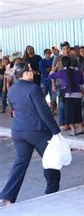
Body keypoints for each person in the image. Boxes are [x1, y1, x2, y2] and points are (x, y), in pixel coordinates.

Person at [0, 61, 61, 206]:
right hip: (36, 131)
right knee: (51, 160)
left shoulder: (13, 89)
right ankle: (51, 192)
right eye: (30, 70)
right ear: (25, 73)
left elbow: (14, 109)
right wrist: (56, 131)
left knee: (20, 163)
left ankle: (7, 196)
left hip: (18, 131)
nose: (33, 72)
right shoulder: (33, 89)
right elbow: (44, 112)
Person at [49, 56, 84, 135]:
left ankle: (73, 131)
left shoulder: (62, 72)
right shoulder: (78, 71)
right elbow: (82, 84)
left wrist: (54, 68)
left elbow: (50, 76)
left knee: (69, 113)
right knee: (78, 111)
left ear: (62, 63)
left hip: (67, 95)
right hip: (77, 95)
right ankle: (81, 129)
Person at [52, 42, 79, 131]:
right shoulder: (58, 59)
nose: (66, 50)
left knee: (70, 105)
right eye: (64, 49)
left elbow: (77, 71)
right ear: (61, 50)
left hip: (72, 84)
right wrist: (53, 84)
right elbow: (53, 72)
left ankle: (70, 123)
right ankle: (62, 123)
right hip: (61, 84)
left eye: (67, 48)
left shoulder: (73, 59)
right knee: (61, 104)